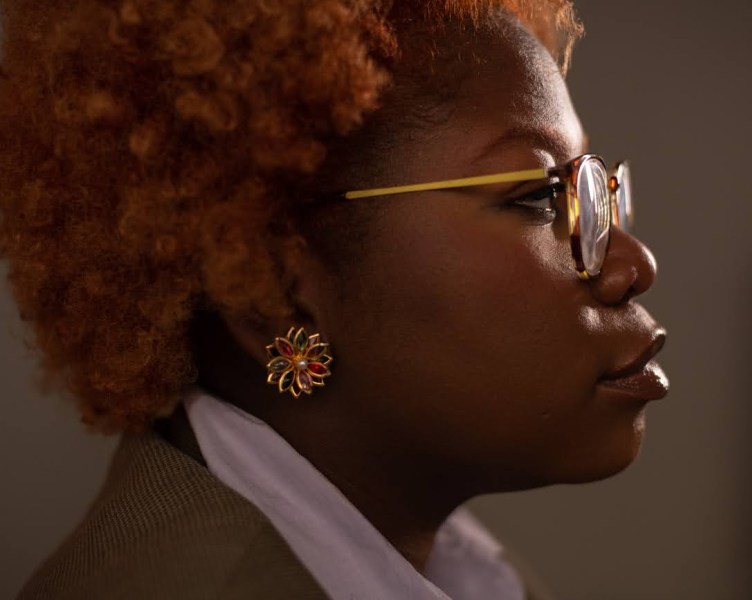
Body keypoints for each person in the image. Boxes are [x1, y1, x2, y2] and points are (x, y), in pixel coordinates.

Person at [0, 0, 668, 598]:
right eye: (535, 196)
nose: (633, 265)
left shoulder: (464, 574)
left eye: (597, 193)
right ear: (279, 297)